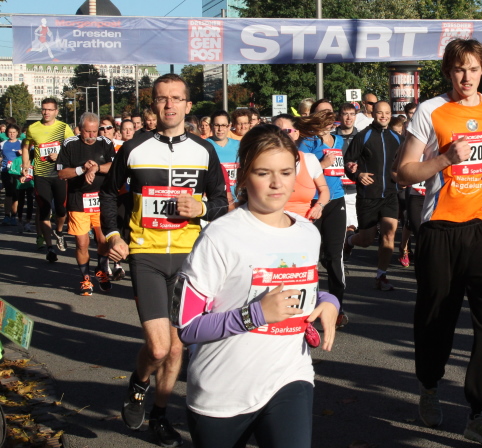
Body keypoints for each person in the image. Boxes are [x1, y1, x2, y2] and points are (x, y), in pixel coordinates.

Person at [172, 124, 339, 448]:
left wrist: (328, 300)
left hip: (290, 376)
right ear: (244, 176)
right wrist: (256, 315)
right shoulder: (220, 236)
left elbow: (294, 289)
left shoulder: (307, 232)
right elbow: (187, 326)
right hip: (222, 390)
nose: (277, 183)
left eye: (286, 172)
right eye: (264, 173)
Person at [100, 73, 228, 448]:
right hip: (147, 255)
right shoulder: (133, 149)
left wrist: (201, 208)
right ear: (153, 105)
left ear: (188, 105)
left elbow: (222, 202)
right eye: (161, 98)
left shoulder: (204, 151)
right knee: (158, 348)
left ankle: (159, 415)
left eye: (176, 98)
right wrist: (112, 236)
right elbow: (109, 194)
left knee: (176, 348)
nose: (169, 105)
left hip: (189, 259)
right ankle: (139, 383)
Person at [395, 38, 482, 447]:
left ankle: (480, 411)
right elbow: (404, 172)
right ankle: (429, 384)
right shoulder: (430, 110)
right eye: (459, 69)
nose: (466, 77)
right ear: (449, 71)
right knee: (436, 319)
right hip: (440, 228)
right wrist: (445, 159)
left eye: (474, 69)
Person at [295, 100, 347, 327]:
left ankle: (337, 308)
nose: (327, 116)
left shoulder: (339, 140)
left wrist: (351, 169)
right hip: (313, 202)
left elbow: (340, 168)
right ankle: (309, 308)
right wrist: (321, 163)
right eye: (322, 112)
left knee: (335, 256)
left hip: (336, 200)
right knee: (311, 257)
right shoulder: (307, 141)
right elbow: (299, 169)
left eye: (330, 112)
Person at [343, 101, 402, 290]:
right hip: (368, 195)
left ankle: (381, 276)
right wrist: (358, 175)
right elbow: (348, 162)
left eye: (387, 113)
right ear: (373, 114)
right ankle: (349, 241)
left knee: (389, 234)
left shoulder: (397, 137)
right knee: (366, 240)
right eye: (380, 113)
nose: (384, 116)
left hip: (390, 194)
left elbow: (404, 162)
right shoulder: (364, 136)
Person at [57, 113, 115, 295]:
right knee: (82, 243)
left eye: (95, 131)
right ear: (80, 129)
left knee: (103, 240)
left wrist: (96, 167)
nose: (91, 136)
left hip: (100, 198)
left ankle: (101, 270)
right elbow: (61, 173)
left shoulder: (105, 143)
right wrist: (82, 169)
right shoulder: (70, 144)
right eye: (87, 132)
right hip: (78, 199)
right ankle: (86, 279)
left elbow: (114, 167)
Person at [21, 98, 75, 262]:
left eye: (50, 109)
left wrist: (59, 156)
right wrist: (25, 164)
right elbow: (26, 146)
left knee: (61, 210)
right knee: (44, 209)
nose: (46, 112)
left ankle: (58, 231)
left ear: (56, 111)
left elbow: (73, 148)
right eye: (44, 109)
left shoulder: (63, 128)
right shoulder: (33, 128)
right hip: (41, 175)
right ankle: (50, 248)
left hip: (59, 174)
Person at [272, 115, 330, 221]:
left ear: (296, 134)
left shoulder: (309, 160)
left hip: (303, 224)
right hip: (273, 224)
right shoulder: (264, 161)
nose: (281, 135)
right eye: (276, 130)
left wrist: (319, 207)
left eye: (287, 131)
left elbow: (324, 190)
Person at [99, 115, 126, 281]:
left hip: (120, 193)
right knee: (102, 233)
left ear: (114, 131)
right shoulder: (94, 146)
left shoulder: (123, 147)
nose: (105, 131)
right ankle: (104, 263)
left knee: (118, 228)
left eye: (108, 128)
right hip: (100, 193)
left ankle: (117, 264)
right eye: (101, 128)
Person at [332, 103, 359, 232]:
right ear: (339, 116)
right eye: (345, 114)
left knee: (353, 227)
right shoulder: (331, 137)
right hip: (337, 189)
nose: (349, 118)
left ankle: (349, 241)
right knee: (343, 228)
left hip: (356, 188)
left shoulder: (362, 136)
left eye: (352, 114)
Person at [207, 110, 240, 211]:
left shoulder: (239, 145)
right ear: (211, 126)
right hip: (213, 202)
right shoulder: (204, 146)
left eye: (223, 125)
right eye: (217, 125)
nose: (220, 129)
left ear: (229, 126)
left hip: (237, 201)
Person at [1, 124, 22, 226]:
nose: (12, 134)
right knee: (9, 193)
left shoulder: (22, 143)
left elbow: (30, 155)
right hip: (6, 171)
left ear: (17, 133)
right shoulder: (3, 144)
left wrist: (23, 153)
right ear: (7, 133)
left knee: (16, 194)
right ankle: (6, 215)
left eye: (14, 132)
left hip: (18, 172)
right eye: (10, 132)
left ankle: (14, 215)